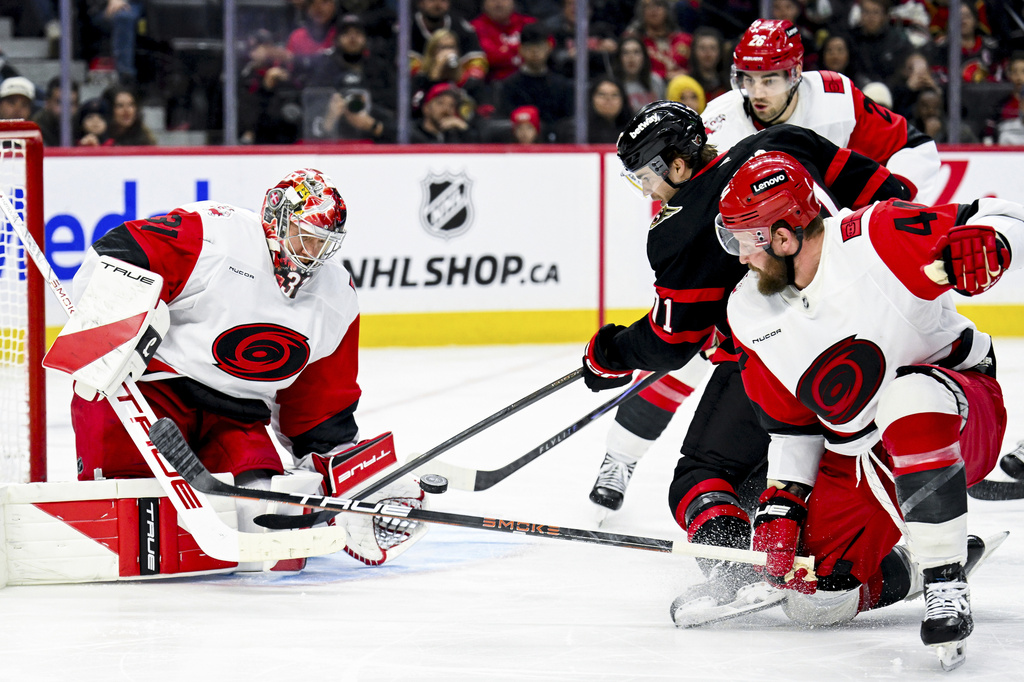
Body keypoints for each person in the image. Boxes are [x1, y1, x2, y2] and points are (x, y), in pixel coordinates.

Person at [585, 18, 940, 516]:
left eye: (769, 79)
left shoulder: (835, 98)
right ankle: (620, 457)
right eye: (746, 78)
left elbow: (910, 156)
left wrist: (866, 234)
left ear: (797, 74)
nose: (756, 92)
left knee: (722, 393)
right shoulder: (725, 120)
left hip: (812, 281)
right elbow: (696, 196)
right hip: (761, 276)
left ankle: (819, 515)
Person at [581, 100, 911, 613]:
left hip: (772, 361)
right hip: (870, 344)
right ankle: (880, 561)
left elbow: (672, 342)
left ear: (677, 163)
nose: (646, 189)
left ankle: (739, 569)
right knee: (800, 465)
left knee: (701, 475)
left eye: (646, 175)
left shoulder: (677, 228)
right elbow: (892, 197)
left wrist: (611, 352)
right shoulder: (782, 143)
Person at [717, 150, 1021, 667]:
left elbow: (1006, 212)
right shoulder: (750, 309)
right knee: (816, 600)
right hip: (861, 452)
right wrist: (784, 503)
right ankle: (923, 564)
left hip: (961, 411)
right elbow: (792, 428)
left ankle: (944, 585)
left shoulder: (875, 236)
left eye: (748, 240)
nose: (742, 257)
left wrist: (990, 242)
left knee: (910, 397)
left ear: (785, 235)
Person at [56, 168, 426, 567]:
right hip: (149, 395)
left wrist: (355, 481)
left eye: (324, 245)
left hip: (236, 416)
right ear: (277, 219)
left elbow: (318, 411)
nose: (312, 254)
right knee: (127, 511)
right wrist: (119, 328)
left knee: (274, 517)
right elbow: (119, 252)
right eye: (306, 236)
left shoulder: (336, 297)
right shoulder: (217, 236)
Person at [499, 23, 574, 127]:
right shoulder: (509, 86)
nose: (535, 53)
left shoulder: (562, 86)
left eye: (539, 47)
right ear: (521, 50)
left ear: (549, 47)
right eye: (530, 48)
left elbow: (567, 121)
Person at [470, 0, 537, 83]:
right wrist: (521, 52)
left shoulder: (529, 23)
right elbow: (490, 57)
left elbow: (547, 44)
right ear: (483, 3)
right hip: (494, 84)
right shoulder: (474, 28)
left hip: (533, 78)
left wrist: (507, 52)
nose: (499, 3)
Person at [410, 82, 478, 142]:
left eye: (452, 105)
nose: (446, 109)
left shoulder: (453, 136)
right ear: (426, 108)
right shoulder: (411, 136)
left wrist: (464, 129)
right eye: (440, 103)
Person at [613, 36, 665, 115]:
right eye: (625, 52)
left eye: (636, 52)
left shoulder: (656, 81)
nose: (631, 57)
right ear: (619, 58)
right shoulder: (613, 86)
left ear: (644, 57)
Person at [31, 76, 79, 146]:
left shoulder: (83, 126)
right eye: (59, 102)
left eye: (71, 103)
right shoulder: (35, 129)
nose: (65, 110)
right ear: (47, 103)